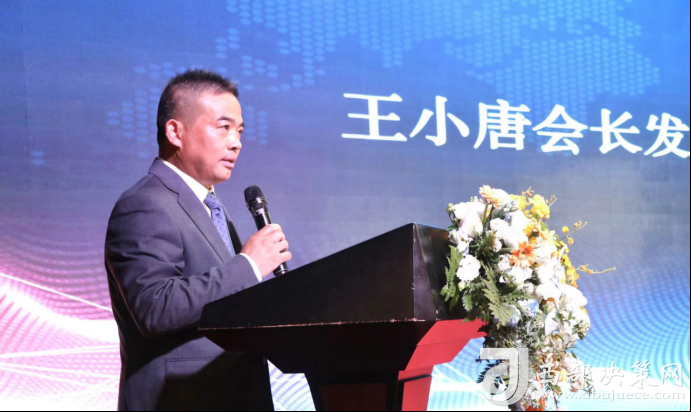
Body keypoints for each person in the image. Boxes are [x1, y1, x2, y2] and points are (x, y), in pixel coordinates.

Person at [105, 69, 291, 411]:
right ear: (175, 132)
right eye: (223, 127)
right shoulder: (143, 204)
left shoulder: (210, 205)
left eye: (239, 131)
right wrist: (249, 266)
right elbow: (155, 307)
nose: (236, 142)